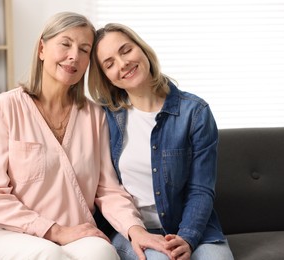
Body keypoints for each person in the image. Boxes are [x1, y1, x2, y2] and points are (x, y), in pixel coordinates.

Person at [0, 12, 173, 260]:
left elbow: (108, 190)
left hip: (75, 233)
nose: (74, 56)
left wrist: (135, 229)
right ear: (42, 49)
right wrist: (55, 231)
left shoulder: (94, 115)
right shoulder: (3, 107)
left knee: (105, 254)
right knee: (49, 255)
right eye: (65, 44)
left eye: (85, 50)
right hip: (3, 231)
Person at [88, 23, 234, 260]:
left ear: (142, 50)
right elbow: (104, 189)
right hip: (135, 232)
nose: (122, 63)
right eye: (109, 63)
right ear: (106, 77)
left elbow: (201, 189)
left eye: (126, 50)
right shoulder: (104, 118)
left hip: (194, 228)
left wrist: (187, 237)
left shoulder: (195, 112)